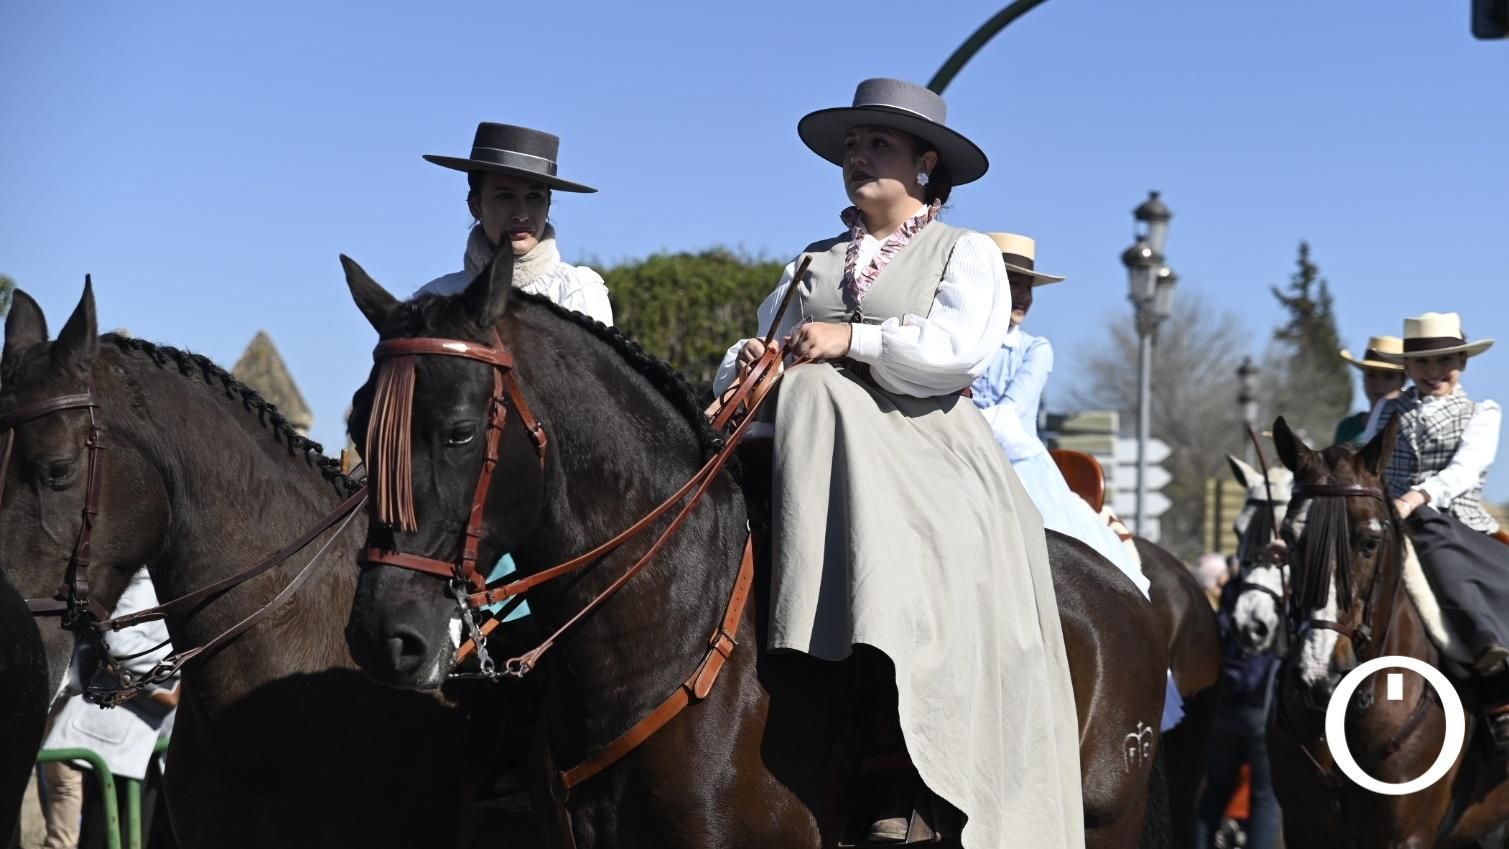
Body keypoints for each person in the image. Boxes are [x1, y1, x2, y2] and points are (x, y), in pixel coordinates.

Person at [711, 78, 1082, 848]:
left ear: (924, 163)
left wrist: (853, 340)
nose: (856, 157)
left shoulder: (963, 252)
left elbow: (955, 354)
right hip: (814, 441)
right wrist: (751, 359)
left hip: (925, 439)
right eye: (851, 145)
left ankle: (905, 761)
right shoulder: (811, 260)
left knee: (821, 399)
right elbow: (770, 340)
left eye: (877, 143)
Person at [967, 232, 1181, 734]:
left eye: (1028, 286)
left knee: (1100, 557)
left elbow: (1010, 419)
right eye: (1012, 283)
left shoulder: (1035, 349)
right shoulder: (956, 339)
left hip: (1018, 465)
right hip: (958, 454)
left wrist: (949, 420)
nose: (1022, 296)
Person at [1372, 312, 1509, 745]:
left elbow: (1465, 470)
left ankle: (1491, 665)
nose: (1434, 371)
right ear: (1407, 366)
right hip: (1388, 519)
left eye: (1445, 360)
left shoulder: (1482, 413)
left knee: (1434, 538)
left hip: (1453, 522)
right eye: (1423, 362)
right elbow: (1365, 460)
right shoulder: (1386, 409)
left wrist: (1415, 498)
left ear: (1463, 362)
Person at [414, 122, 613, 326]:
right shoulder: (435, 299)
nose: (521, 215)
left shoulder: (576, 290)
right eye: (505, 196)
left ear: (548, 205)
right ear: (475, 206)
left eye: (534, 196)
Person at [39, 568, 178, 849]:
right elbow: (120, 641)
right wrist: (179, 673)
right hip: (103, 742)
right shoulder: (146, 579)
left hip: (135, 747)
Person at [1334, 335, 1407, 446]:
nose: (1378, 383)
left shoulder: (1411, 427)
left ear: (1403, 381)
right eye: (1371, 375)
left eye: (1388, 376)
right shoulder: (1347, 428)